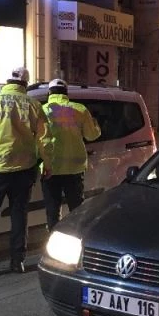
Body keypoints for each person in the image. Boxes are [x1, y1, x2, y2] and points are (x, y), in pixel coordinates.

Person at [0, 67, 53, 277]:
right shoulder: (33, 105)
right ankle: (17, 262)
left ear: (7, 82)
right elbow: (45, 139)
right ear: (25, 84)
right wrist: (47, 164)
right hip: (24, 170)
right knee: (19, 214)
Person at [41, 78, 101, 230]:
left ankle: (54, 237)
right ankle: (76, 235)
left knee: (52, 210)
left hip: (51, 168)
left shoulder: (43, 110)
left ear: (49, 93)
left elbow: (38, 139)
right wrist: (96, 124)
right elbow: (91, 136)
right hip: (74, 168)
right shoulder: (80, 109)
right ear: (66, 93)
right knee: (76, 209)